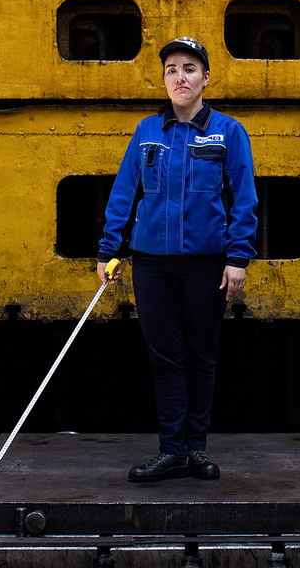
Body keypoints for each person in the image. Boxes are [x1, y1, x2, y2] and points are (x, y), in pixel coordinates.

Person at [96, 36, 257, 483]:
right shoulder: (148, 132)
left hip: (208, 264)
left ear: (206, 78)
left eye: (189, 68)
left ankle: (196, 451)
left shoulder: (228, 132)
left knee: (201, 356)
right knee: (165, 357)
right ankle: (171, 452)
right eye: (171, 69)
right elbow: (124, 192)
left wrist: (238, 257)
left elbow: (244, 198)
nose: (179, 76)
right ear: (163, 79)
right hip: (153, 264)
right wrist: (110, 250)